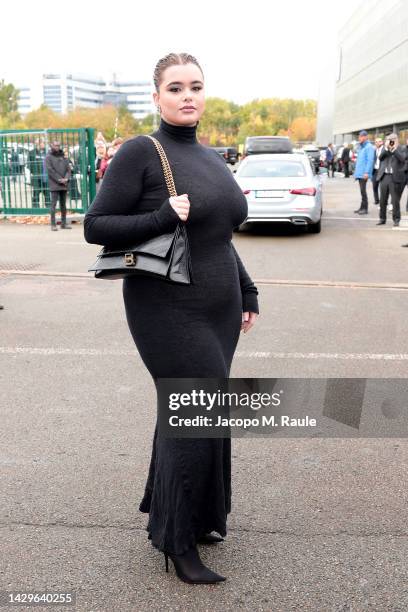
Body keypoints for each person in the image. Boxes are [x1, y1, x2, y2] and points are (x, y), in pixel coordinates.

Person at [84, 52, 259, 584]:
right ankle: (177, 543)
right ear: (156, 96)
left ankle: (196, 518)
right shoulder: (143, 151)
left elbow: (220, 235)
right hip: (167, 306)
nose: (188, 96)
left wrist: (247, 288)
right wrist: (163, 214)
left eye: (196, 87)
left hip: (221, 306)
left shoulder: (210, 157)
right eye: (176, 87)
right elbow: (97, 226)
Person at [376, 133, 406, 227]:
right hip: (384, 176)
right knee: (382, 200)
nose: (390, 141)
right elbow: (380, 158)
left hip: (395, 177)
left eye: (391, 140)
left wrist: (394, 149)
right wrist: (386, 148)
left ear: (396, 139)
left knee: (395, 200)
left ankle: (396, 219)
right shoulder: (385, 149)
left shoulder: (402, 148)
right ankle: (382, 218)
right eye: (388, 140)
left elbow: (402, 159)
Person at [45, 141, 71, 230]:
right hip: (54, 183)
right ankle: (53, 224)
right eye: (55, 145)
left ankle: (63, 224)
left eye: (58, 145)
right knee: (53, 204)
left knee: (63, 205)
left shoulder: (63, 156)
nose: (57, 147)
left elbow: (68, 169)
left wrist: (66, 178)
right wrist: (59, 179)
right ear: (51, 146)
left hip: (64, 183)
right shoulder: (48, 157)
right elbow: (50, 170)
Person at [354, 130, 375, 215]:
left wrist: (366, 172)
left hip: (364, 173)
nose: (359, 138)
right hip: (360, 173)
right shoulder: (362, 147)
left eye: (361, 136)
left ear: (365, 137)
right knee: (362, 191)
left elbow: (370, 161)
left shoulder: (369, 147)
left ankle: (365, 209)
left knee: (363, 191)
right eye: (359, 136)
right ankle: (362, 207)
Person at [28, 139, 50, 208]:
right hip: (36, 176)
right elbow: (29, 164)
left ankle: (48, 206)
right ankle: (36, 207)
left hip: (46, 176)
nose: (44, 144)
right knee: (36, 193)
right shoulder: (32, 152)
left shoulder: (48, 152)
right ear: (38, 144)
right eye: (43, 143)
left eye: (44, 143)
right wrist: (34, 172)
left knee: (47, 192)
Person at [372, 138, 384, 205]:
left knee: (382, 187)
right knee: (374, 186)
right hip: (375, 170)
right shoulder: (375, 150)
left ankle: (383, 201)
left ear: (382, 142)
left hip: (382, 170)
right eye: (376, 142)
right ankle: (376, 200)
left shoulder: (384, 149)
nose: (377, 143)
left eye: (379, 142)